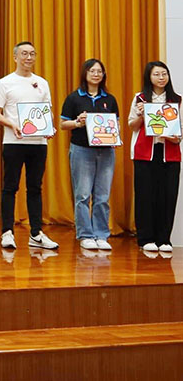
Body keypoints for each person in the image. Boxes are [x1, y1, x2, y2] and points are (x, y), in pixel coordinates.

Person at [0, 41, 59, 250]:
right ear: (15, 57)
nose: (29, 58)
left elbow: (47, 110)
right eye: (24, 54)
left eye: (32, 54)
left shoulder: (42, 83)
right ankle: (7, 232)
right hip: (14, 142)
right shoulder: (5, 83)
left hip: (38, 143)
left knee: (35, 187)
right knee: (10, 187)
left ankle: (36, 233)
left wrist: (49, 127)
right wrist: (12, 124)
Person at [59, 59, 119, 251]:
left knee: (102, 196)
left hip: (106, 151)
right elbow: (63, 124)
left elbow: (115, 124)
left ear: (104, 75)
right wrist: (78, 122)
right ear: (85, 74)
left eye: (99, 71)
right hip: (81, 150)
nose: (96, 74)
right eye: (92, 71)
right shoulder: (74, 98)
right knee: (83, 194)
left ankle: (101, 235)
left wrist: (114, 136)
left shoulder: (110, 99)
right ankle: (85, 234)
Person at [128, 61, 181, 254]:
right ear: (149, 77)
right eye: (156, 74)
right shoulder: (140, 98)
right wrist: (142, 115)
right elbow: (132, 125)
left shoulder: (177, 100)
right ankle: (146, 238)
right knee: (145, 195)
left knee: (168, 195)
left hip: (169, 154)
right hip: (144, 153)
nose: (161, 78)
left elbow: (179, 133)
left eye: (164, 74)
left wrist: (173, 136)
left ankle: (164, 238)